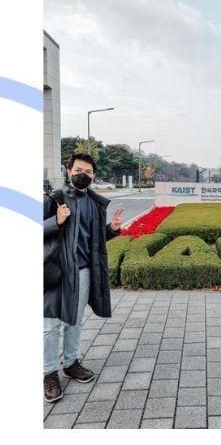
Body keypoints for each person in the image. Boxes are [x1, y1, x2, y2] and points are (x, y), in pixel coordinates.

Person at [43, 153, 124, 402]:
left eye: (88, 172)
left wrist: (111, 230)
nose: (83, 174)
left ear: (93, 176)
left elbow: (94, 238)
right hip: (57, 271)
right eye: (79, 169)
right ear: (68, 171)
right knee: (51, 325)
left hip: (84, 271)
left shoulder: (93, 202)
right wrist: (56, 221)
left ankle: (70, 363)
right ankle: (49, 373)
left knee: (75, 320)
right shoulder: (53, 199)